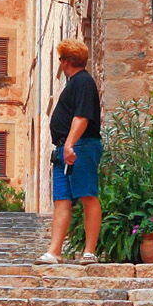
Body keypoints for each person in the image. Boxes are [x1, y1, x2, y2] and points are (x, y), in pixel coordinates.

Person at [38, 37, 102, 264]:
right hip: (66, 149)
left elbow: (82, 116)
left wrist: (70, 144)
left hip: (80, 146)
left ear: (65, 61)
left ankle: (89, 251)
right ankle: (54, 251)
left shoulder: (83, 82)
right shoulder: (74, 83)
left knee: (87, 195)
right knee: (62, 200)